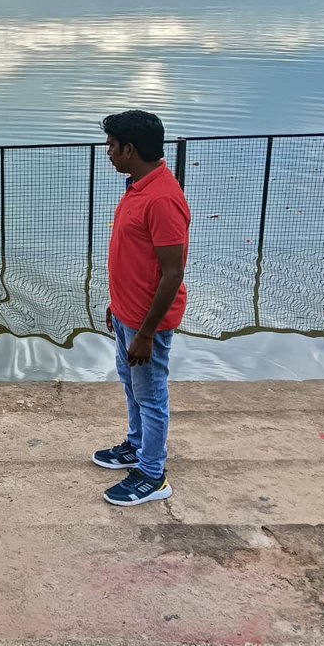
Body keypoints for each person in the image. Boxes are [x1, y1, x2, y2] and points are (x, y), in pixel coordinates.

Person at [91, 110, 190, 506]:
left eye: (113, 147)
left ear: (130, 149)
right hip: (128, 315)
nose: (109, 153)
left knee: (151, 395)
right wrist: (117, 306)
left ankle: (153, 474)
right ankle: (135, 446)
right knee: (132, 386)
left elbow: (171, 273)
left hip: (149, 325)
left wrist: (148, 334)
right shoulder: (137, 187)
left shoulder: (163, 199)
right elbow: (135, 259)